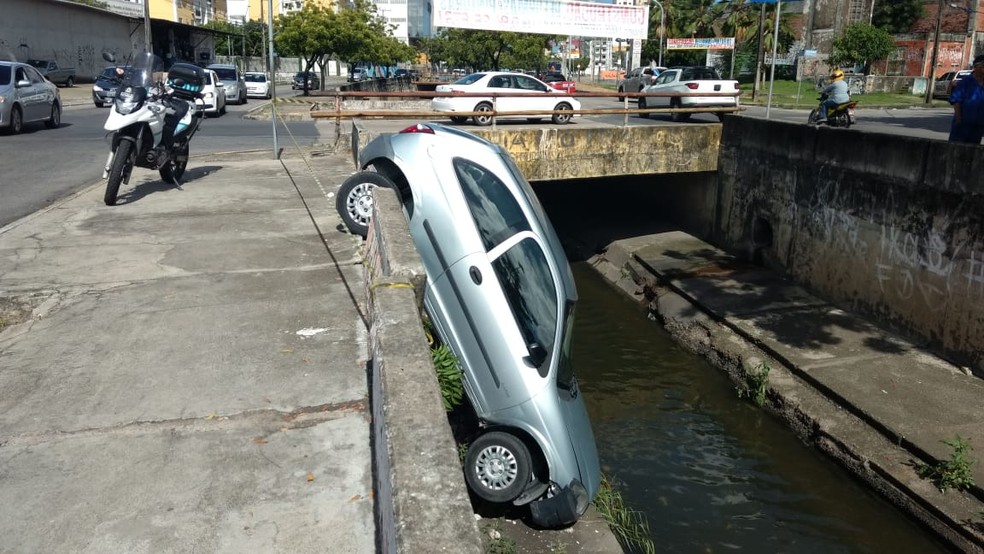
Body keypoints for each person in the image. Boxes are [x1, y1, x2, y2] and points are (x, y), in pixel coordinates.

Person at [948, 54, 984, 144]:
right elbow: (956, 101)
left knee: (973, 151)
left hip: (978, 125)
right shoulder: (966, 82)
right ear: (976, 67)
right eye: (983, 66)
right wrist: (958, 119)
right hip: (963, 123)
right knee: (957, 148)